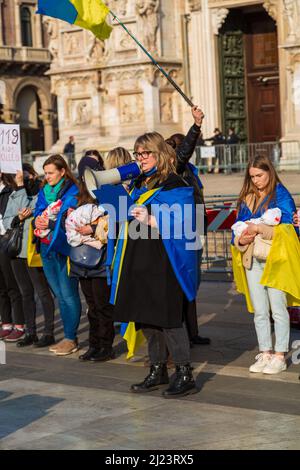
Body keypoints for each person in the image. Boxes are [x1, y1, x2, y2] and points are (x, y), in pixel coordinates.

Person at [111, 132, 200, 398]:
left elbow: (187, 220)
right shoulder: (139, 183)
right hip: (140, 257)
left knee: (169, 319)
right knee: (146, 318)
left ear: (159, 153)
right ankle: (157, 369)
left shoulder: (175, 182)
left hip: (165, 260)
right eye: (137, 154)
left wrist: (152, 218)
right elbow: (123, 214)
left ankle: (185, 373)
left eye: (145, 153)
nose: (140, 159)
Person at [232, 155, 300, 375]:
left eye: (259, 175)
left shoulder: (280, 194)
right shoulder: (247, 197)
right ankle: (265, 351)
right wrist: (240, 240)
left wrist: (261, 229)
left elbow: (290, 230)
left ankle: (280, 354)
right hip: (252, 258)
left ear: (269, 172)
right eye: (252, 177)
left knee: (278, 308)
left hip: (275, 258)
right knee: (260, 310)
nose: (256, 181)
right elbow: (237, 227)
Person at [166, 106, 210, 347]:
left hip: (196, 230)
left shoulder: (190, 171)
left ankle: (192, 332)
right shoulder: (177, 168)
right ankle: (182, 333)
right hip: (183, 233)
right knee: (183, 281)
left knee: (191, 282)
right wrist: (196, 126)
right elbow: (184, 152)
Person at [66, 152, 115, 362]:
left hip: (101, 260)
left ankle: (106, 345)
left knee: (102, 305)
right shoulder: (78, 197)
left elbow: (112, 222)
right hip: (82, 259)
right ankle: (94, 344)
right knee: (92, 306)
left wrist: (92, 228)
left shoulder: (107, 193)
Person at [33, 155, 81, 356]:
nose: (47, 176)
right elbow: (38, 210)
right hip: (45, 247)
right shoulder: (44, 191)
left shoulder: (73, 190)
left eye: (51, 172)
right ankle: (68, 337)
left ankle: (71, 337)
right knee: (59, 294)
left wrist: (50, 222)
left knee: (69, 294)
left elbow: (72, 218)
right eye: (45, 173)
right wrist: (38, 219)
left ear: (62, 171)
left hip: (63, 246)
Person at [2, 166, 55, 348]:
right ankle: (30, 331)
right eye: (19, 177)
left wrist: (21, 188)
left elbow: (29, 209)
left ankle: (48, 332)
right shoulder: (14, 195)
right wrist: (17, 218)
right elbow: (7, 219)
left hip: (33, 251)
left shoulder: (41, 195)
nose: (22, 179)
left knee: (42, 292)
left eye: (25, 176)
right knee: (25, 293)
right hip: (16, 251)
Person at [0, 173, 25, 342]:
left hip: (6, 240)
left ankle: (19, 324)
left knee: (11, 284)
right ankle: (6, 322)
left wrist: (21, 183)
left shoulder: (10, 191)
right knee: (0, 285)